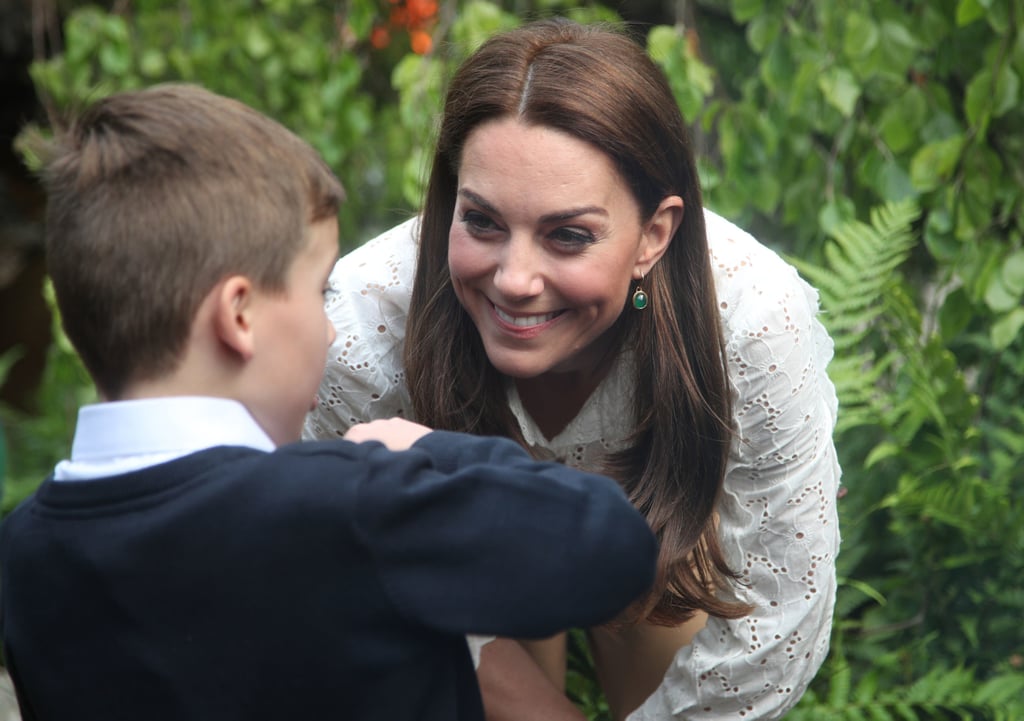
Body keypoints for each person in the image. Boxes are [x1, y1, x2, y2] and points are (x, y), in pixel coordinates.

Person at [0, 82, 661, 721]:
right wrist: (424, 452)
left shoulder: (25, 554)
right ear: (239, 316)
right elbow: (612, 549)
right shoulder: (350, 505)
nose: (333, 328)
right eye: (318, 291)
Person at [304, 17, 841, 721]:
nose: (515, 279)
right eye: (484, 222)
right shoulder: (365, 323)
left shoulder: (749, 320)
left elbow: (775, 618)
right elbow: (348, 564)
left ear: (655, 234)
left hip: (656, 548)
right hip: (459, 552)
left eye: (568, 235)